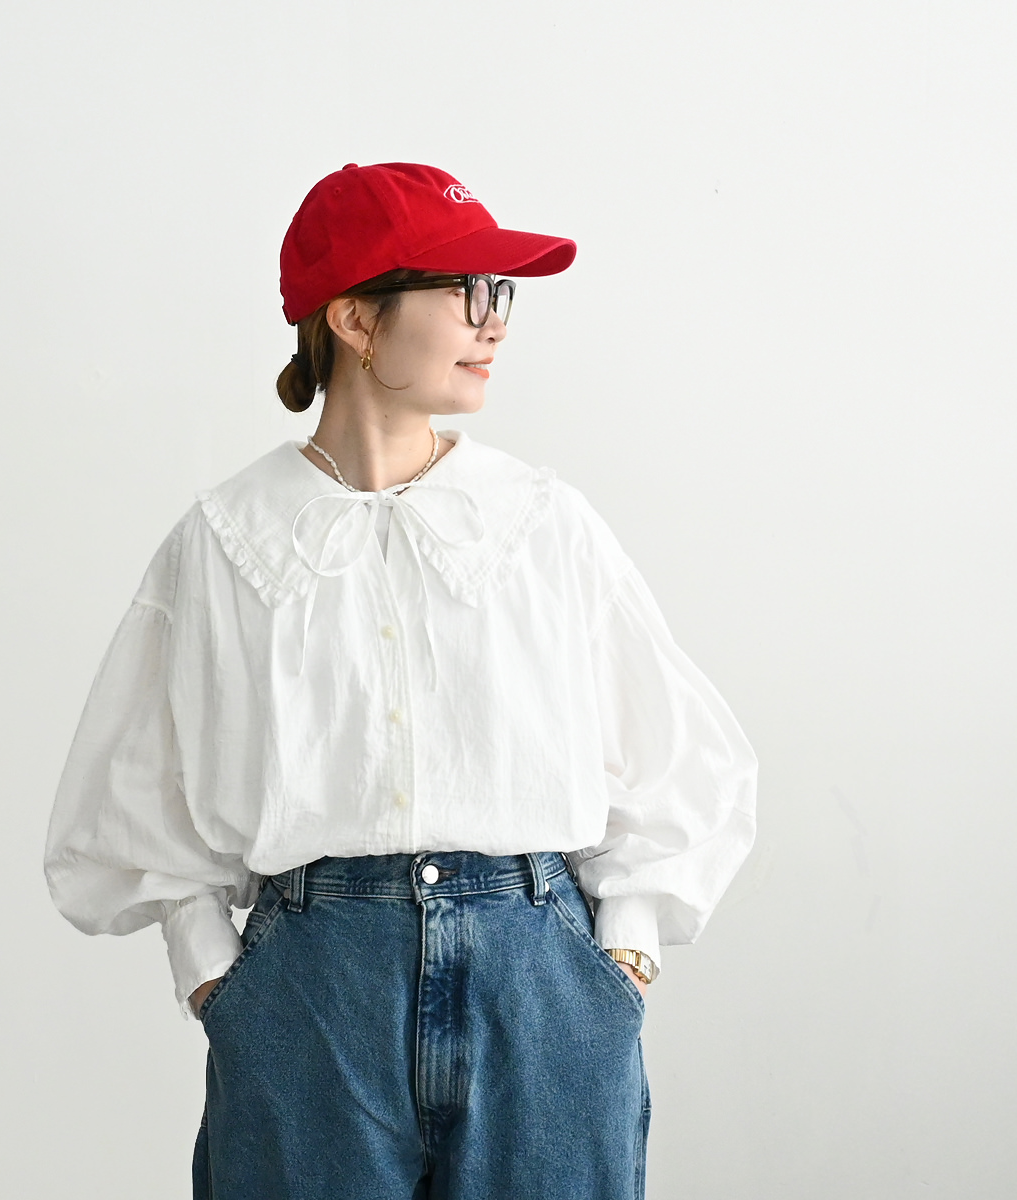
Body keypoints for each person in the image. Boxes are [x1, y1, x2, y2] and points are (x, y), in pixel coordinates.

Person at [44, 161, 758, 1200]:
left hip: (541, 987)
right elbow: (129, 797)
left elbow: (679, 756)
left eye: (500, 293)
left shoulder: (540, 523)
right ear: (355, 320)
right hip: (311, 994)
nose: (494, 320)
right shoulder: (227, 539)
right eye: (465, 290)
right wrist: (217, 980)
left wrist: (624, 959)